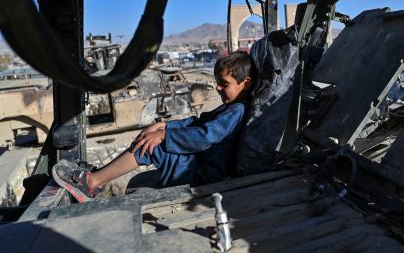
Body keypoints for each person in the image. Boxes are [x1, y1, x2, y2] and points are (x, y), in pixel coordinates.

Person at [52, 51, 255, 202]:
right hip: (201, 165)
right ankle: (99, 177)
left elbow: (204, 136)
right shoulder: (231, 108)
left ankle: (91, 183)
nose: (218, 87)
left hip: (204, 173)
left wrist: (164, 137)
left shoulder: (236, 111)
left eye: (224, 83)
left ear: (245, 83)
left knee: (151, 146)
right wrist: (163, 126)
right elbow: (197, 122)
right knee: (151, 138)